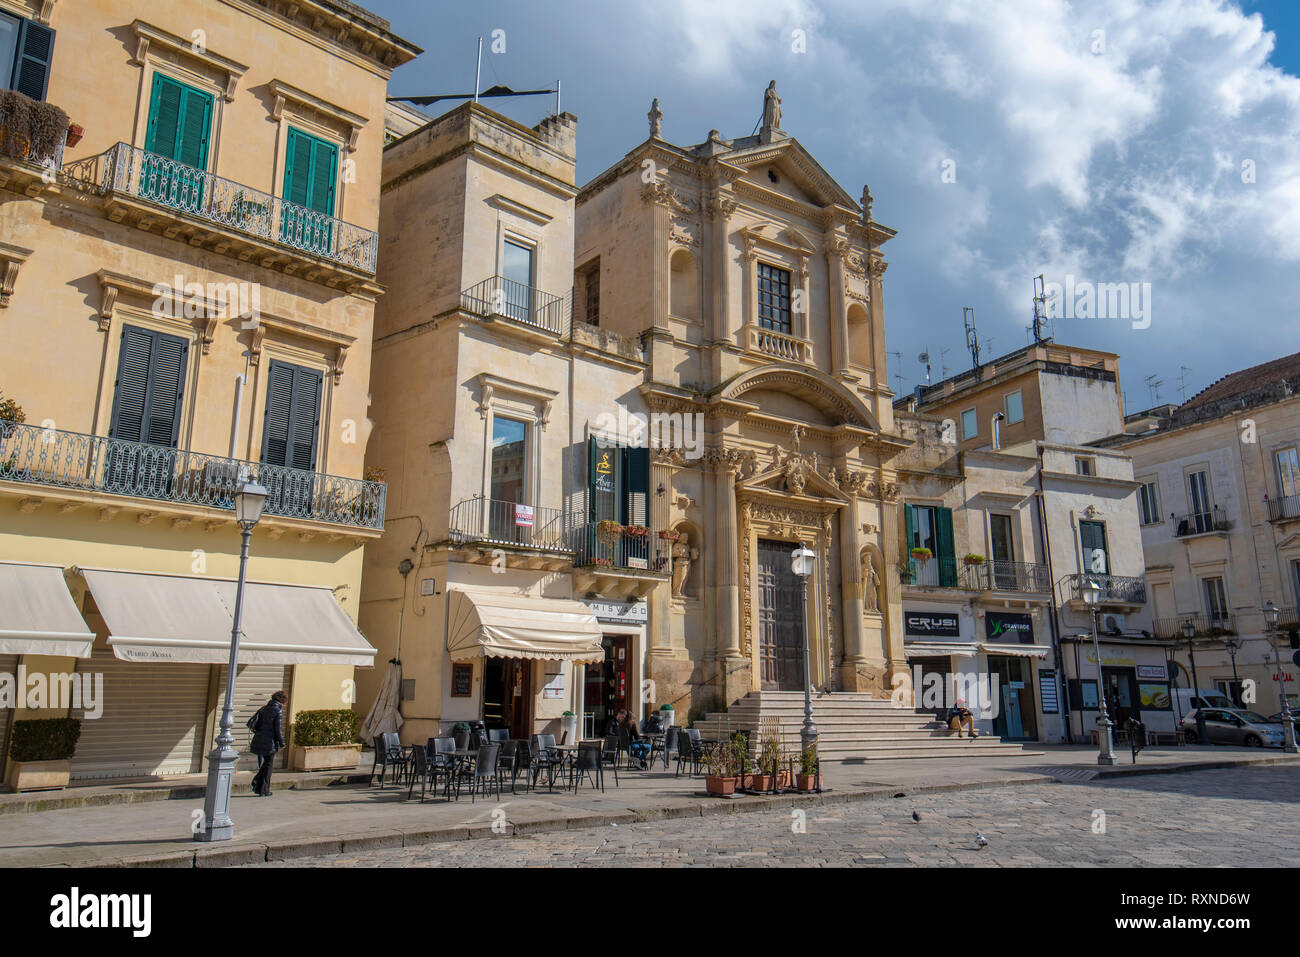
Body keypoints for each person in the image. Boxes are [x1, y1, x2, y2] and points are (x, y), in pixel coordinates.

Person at [249, 690, 287, 796]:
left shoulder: (264, 708)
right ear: (282, 700)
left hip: (259, 739)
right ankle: (263, 789)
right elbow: (277, 729)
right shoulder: (277, 710)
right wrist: (282, 742)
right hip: (269, 742)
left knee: (266, 764)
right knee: (268, 765)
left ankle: (258, 785)